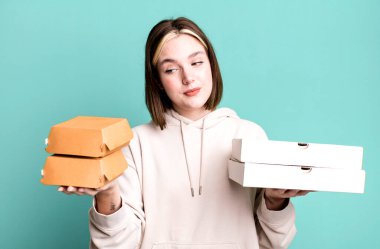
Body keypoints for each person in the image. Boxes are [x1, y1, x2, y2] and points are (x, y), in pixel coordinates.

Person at [59, 17, 310, 249]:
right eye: (171, 69)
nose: (188, 77)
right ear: (157, 79)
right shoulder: (135, 143)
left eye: (196, 62)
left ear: (211, 64)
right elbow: (118, 245)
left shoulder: (250, 135)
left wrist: (276, 200)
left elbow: (272, 242)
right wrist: (108, 192)